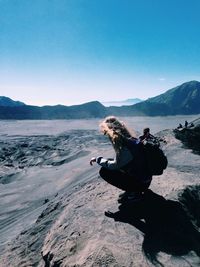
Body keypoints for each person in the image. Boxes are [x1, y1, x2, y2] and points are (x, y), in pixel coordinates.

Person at [90, 116, 152, 202]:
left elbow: (114, 165)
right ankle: (133, 189)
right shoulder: (132, 140)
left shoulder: (125, 147)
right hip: (145, 179)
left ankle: (134, 192)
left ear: (111, 131)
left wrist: (98, 159)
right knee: (114, 165)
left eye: (105, 132)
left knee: (104, 171)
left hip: (141, 183)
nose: (106, 135)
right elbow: (122, 161)